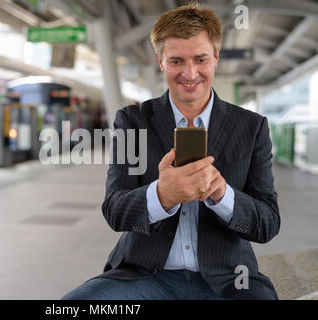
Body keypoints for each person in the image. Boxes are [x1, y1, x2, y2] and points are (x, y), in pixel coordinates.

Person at [62, 2, 280, 300]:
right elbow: (115, 210)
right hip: (143, 277)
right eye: (176, 61)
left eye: (201, 59)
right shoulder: (132, 121)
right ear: (161, 61)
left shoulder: (252, 127)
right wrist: (162, 195)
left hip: (229, 280)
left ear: (215, 58)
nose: (190, 74)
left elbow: (267, 223)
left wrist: (222, 194)